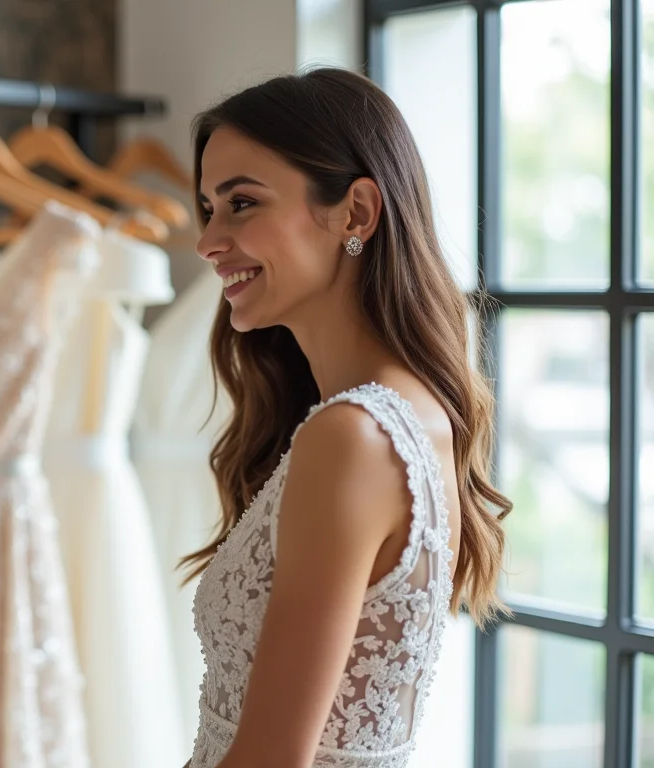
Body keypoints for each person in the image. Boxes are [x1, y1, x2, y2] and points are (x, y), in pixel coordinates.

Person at [184, 67, 511, 768]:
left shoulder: (353, 437)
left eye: (242, 203)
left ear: (356, 214)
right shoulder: (408, 416)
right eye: (208, 207)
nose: (208, 241)